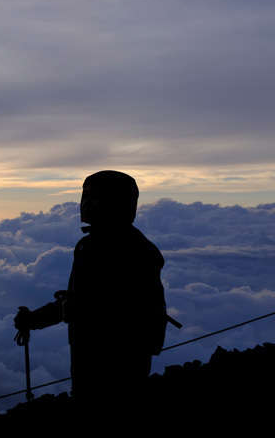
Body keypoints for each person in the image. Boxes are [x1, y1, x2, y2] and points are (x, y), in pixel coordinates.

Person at [15, 170, 167, 406]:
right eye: (84, 196)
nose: (85, 204)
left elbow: (93, 306)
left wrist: (39, 318)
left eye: (94, 197)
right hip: (102, 358)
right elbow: (82, 302)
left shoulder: (120, 249)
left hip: (112, 363)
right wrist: (35, 319)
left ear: (116, 203)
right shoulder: (100, 245)